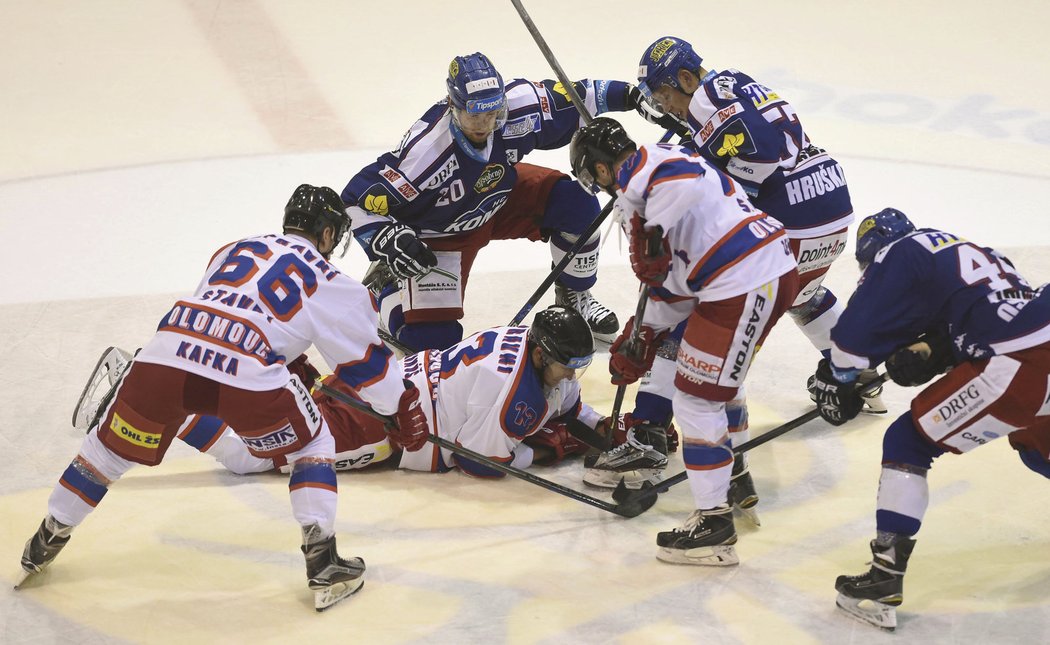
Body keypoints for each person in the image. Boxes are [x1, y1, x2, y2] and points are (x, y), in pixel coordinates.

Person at [17, 185, 429, 612]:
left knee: (105, 453)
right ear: (327, 234)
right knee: (313, 443)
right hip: (247, 371)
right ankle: (323, 562)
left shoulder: (233, 249)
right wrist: (399, 407)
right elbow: (366, 366)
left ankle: (45, 539)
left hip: (164, 353)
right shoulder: (331, 280)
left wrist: (287, 358)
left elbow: (222, 310)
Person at [612, 35, 885, 520]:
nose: (665, 105)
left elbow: (757, 155)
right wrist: (693, 138)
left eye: (665, 95)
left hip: (791, 221)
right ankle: (855, 371)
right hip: (828, 202)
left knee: (700, 317)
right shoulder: (730, 84)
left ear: (685, 80)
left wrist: (691, 159)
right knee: (802, 293)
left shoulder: (706, 100)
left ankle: (652, 432)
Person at [569, 117, 799, 565]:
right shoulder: (645, 187)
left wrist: (650, 226)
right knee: (711, 382)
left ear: (598, 169)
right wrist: (642, 336)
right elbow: (674, 290)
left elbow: (683, 180)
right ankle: (734, 475)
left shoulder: (650, 169)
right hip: (751, 274)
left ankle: (714, 525)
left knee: (695, 400)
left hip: (743, 281)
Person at [811, 208, 1050, 630]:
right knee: (1036, 447)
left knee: (908, 442)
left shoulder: (898, 252)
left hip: (1020, 362)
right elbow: (986, 314)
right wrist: (935, 352)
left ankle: (884, 577)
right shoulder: (971, 250)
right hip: (1036, 344)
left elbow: (850, 343)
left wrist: (838, 377)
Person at [342, 52, 675, 351]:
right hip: (439, 235)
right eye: (476, 116)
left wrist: (633, 97)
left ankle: (575, 297)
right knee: (432, 345)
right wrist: (389, 239)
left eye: (493, 112)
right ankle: (384, 294)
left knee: (578, 206)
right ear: (452, 106)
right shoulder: (426, 155)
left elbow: (583, 94)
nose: (487, 124)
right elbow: (354, 202)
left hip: (498, 197)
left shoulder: (517, 107)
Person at [75, 306, 619, 478]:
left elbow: (565, 405)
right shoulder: (511, 393)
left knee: (275, 429)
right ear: (544, 354)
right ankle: (152, 389)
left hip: (383, 387)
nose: (573, 375)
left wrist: (601, 432)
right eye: (568, 366)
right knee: (251, 461)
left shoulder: (529, 348)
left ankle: (282, 379)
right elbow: (480, 463)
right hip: (382, 428)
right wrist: (553, 448)